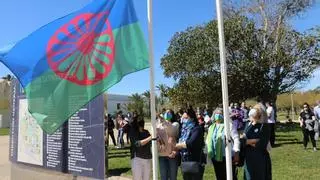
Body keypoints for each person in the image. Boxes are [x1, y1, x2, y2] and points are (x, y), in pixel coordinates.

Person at [206, 109, 240, 180]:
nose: (218, 115)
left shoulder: (229, 125)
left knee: (230, 176)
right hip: (215, 157)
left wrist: (236, 152)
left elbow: (236, 138)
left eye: (220, 113)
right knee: (219, 176)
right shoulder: (211, 127)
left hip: (228, 156)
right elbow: (208, 141)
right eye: (216, 114)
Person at [242, 104, 272, 180]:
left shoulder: (264, 126)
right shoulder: (248, 124)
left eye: (258, 110)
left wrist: (247, 142)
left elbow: (261, 144)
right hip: (248, 157)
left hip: (260, 157)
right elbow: (242, 141)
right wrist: (252, 141)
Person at [175, 109, 205, 180]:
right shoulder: (183, 130)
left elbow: (190, 143)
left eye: (185, 118)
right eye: (183, 118)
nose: (183, 120)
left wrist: (178, 145)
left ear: (191, 118)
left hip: (195, 160)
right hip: (185, 160)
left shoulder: (197, 129)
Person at [157, 110, 178, 180]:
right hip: (162, 155)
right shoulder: (159, 125)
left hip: (172, 154)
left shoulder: (175, 124)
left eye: (169, 113)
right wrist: (160, 142)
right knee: (164, 177)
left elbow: (171, 131)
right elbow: (156, 136)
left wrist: (163, 121)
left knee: (173, 177)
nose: (167, 114)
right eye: (166, 113)